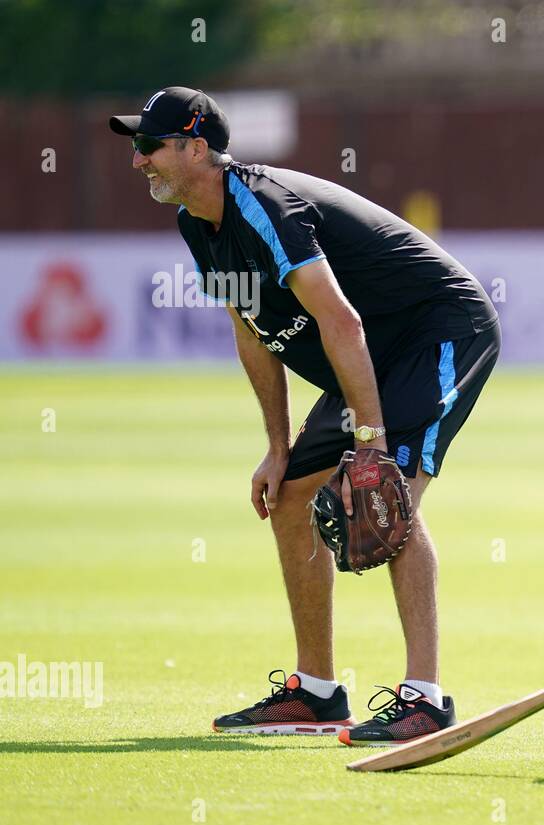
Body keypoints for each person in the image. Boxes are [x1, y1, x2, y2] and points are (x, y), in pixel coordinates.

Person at [109, 87, 500, 745]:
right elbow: (252, 332)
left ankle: (425, 700)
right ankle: (317, 693)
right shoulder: (196, 223)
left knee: (386, 497)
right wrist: (276, 445)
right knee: (292, 498)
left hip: (436, 331)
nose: (138, 160)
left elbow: (341, 320)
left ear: (194, 146)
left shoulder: (261, 206)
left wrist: (370, 443)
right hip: (369, 353)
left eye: (149, 146)